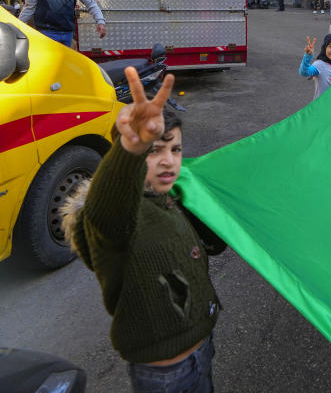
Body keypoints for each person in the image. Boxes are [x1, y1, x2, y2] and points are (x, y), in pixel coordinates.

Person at [62, 70, 224, 393]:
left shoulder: (173, 197)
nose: (169, 161)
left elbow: (210, 245)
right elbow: (107, 211)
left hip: (203, 349)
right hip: (165, 376)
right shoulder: (112, 215)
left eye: (175, 149)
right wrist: (132, 147)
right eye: (155, 150)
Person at [300, 34, 331, 100]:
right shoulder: (320, 64)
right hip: (321, 107)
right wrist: (307, 56)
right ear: (325, 47)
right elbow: (304, 72)